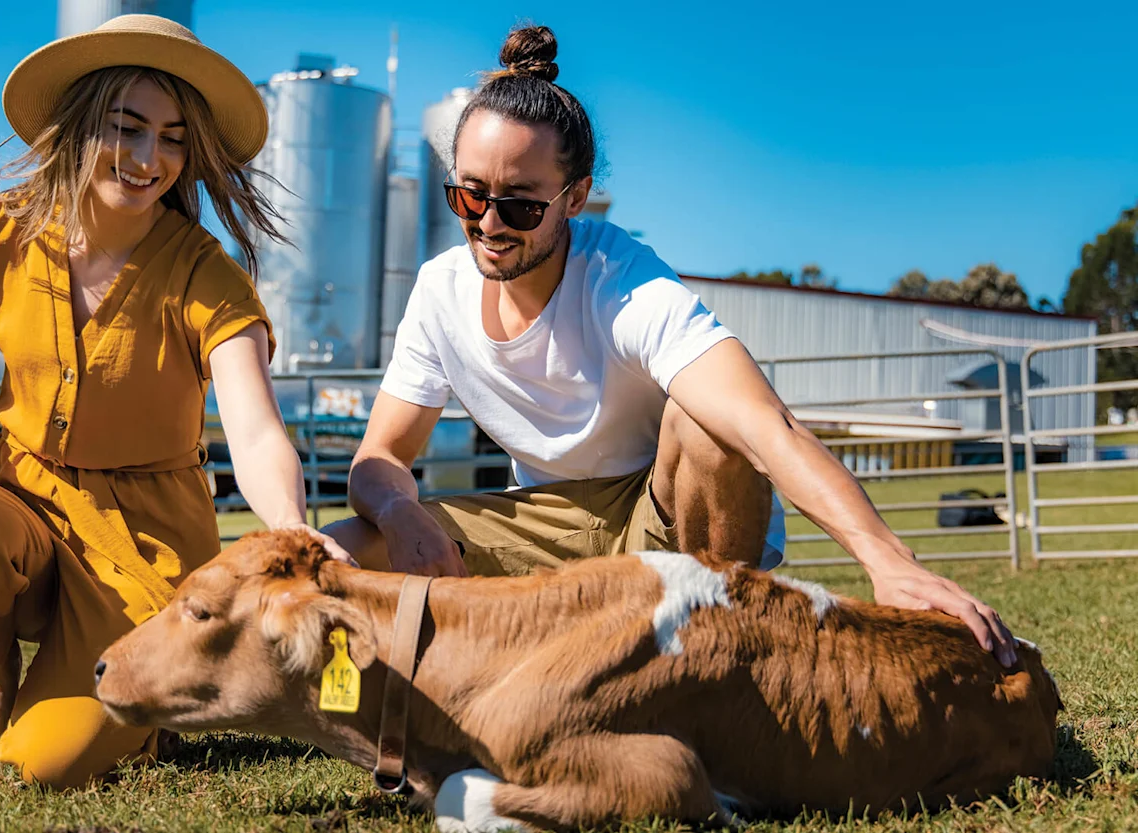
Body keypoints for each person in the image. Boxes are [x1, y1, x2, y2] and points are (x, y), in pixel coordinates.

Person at [326, 25, 1017, 668]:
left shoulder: (624, 281)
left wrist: (885, 558)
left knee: (707, 419)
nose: (491, 224)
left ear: (575, 197)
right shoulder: (439, 290)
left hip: (665, 517)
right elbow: (379, 456)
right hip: (547, 520)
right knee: (346, 549)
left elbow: (763, 425)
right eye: (469, 196)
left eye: (522, 205)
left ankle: (715, 652)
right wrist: (399, 510)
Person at [0, 15, 346, 788]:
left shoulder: (206, 275)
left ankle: (134, 710)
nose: (148, 158)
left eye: (172, 138)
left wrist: (291, 527)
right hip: (17, 497)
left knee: (46, 765)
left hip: (144, 544)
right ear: (81, 124)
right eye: (126, 128)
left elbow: (255, 429)